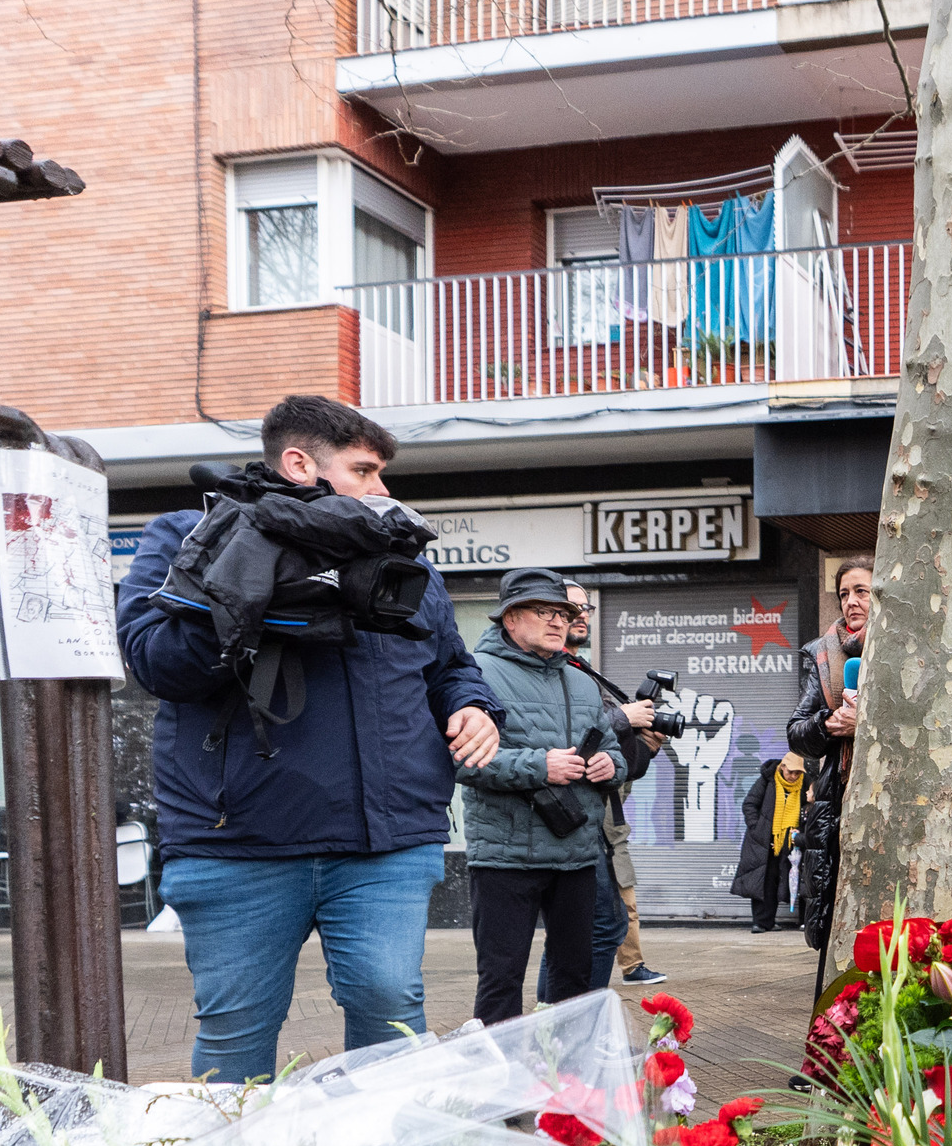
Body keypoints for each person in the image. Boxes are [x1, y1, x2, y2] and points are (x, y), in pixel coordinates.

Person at [119, 395, 499, 1081]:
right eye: (364, 470)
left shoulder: (400, 558)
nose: (382, 489)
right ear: (300, 463)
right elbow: (152, 662)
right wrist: (244, 581)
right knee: (236, 1036)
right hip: (236, 844)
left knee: (391, 1015)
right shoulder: (188, 532)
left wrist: (473, 706)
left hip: (385, 842)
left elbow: (449, 665)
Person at [459, 570, 623, 1025]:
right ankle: (501, 1089)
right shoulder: (475, 675)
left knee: (575, 980)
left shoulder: (582, 681)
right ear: (510, 619)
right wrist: (540, 766)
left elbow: (611, 749)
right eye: (544, 612)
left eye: (564, 613)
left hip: (575, 856)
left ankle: (568, 1086)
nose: (557, 622)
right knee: (501, 979)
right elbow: (462, 761)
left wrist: (612, 766)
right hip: (504, 859)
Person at [535, 581, 666, 997]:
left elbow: (617, 765)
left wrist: (645, 746)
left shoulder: (580, 671)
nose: (578, 616)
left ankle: (566, 1026)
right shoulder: (552, 671)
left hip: (596, 820)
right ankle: (565, 1027)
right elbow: (564, 737)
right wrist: (624, 716)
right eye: (566, 609)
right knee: (590, 928)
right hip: (562, 816)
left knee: (597, 927)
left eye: (584, 608)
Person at [788, 555, 872, 948]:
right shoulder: (823, 654)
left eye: (861, 591)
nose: (850, 601)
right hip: (839, 801)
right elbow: (797, 732)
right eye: (844, 594)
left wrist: (869, 727)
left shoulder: (910, 647)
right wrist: (828, 724)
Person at [731, 749, 808, 931]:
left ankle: (775, 920)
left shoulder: (805, 784)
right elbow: (749, 804)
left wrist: (802, 830)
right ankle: (761, 922)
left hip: (791, 842)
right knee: (762, 879)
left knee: (782, 879)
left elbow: (808, 807)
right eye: (790, 772)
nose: (793, 776)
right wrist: (758, 828)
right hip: (764, 841)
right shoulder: (768, 780)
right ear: (782, 767)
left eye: (797, 773)